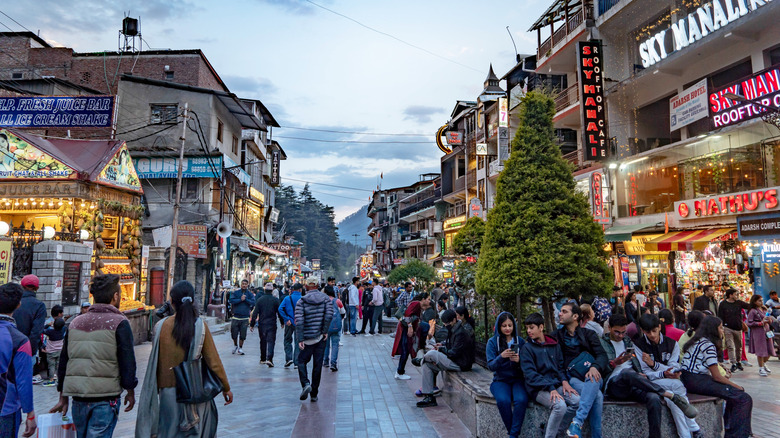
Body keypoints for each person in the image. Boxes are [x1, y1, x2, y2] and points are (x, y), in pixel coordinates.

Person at [135, 280, 232, 438]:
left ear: (172, 303)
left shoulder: (160, 327)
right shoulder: (200, 326)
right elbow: (213, 362)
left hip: (167, 394)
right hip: (193, 392)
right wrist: (226, 388)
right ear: (193, 301)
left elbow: (157, 360)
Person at [51, 274, 137, 437]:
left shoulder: (75, 322)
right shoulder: (119, 322)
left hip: (79, 399)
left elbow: (64, 362)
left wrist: (62, 397)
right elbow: (127, 362)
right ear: (116, 296)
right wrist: (130, 390)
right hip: (105, 400)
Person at [681, 316, 753, 438]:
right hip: (696, 380)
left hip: (689, 379)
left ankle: (732, 430)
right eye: (720, 328)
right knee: (744, 398)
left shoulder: (697, 340)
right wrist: (737, 386)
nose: (722, 330)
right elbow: (717, 377)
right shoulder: (708, 345)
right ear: (713, 329)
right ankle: (737, 435)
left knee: (733, 396)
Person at [634, 314, 704, 438]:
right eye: (648, 332)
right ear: (643, 331)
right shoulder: (639, 345)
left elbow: (672, 368)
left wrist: (654, 365)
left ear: (659, 327)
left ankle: (685, 435)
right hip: (651, 382)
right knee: (677, 386)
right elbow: (645, 374)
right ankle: (694, 427)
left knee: (672, 400)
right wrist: (662, 372)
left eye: (654, 331)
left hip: (667, 381)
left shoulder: (672, 344)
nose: (652, 335)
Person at [520, 312, 578, 438]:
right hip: (538, 388)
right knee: (560, 406)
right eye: (527, 328)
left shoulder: (554, 345)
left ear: (541, 327)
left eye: (532, 327)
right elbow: (530, 375)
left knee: (577, 401)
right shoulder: (527, 349)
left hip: (555, 384)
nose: (529, 331)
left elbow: (560, 367)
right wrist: (550, 388)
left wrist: (564, 382)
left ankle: (555, 432)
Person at [554, 302, 607, 438]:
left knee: (593, 379)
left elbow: (602, 355)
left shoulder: (589, 334)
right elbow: (556, 363)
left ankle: (578, 421)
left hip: (592, 374)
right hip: (572, 377)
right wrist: (564, 380)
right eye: (561, 311)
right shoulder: (557, 336)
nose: (560, 313)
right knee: (597, 396)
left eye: (564, 311)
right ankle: (592, 433)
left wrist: (595, 367)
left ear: (575, 316)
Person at [416, 309, 475, 408]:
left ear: (454, 320)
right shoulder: (453, 329)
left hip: (460, 363)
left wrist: (441, 349)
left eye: (447, 323)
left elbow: (454, 353)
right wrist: (442, 344)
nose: (446, 325)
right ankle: (429, 397)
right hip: (453, 360)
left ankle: (420, 360)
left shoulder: (461, 333)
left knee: (433, 354)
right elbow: (450, 343)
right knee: (427, 365)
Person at [0, 283, 37, 438]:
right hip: (6, 409)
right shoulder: (20, 340)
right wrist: (30, 413)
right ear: (18, 305)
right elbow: (23, 381)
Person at [486, 312, 529, 438]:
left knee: (521, 400)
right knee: (503, 401)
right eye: (504, 325)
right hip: (500, 380)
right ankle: (513, 434)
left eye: (510, 325)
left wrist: (519, 361)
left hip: (517, 379)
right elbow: (491, 365)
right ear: (499, 326)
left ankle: (512, 435)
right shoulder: (493, 342)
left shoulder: (520, 341)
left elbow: (528, 364)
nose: (507, 328)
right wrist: (501, 357)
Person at [295, 277, 334, 402]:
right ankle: (314, 394)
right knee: (317, 365)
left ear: (306, 286)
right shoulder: (326, 299)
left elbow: (299, 321)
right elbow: (329, 315)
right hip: (320, 338)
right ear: (317, 286)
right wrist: (324, 331)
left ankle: (306, 384)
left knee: (301, 361)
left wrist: (300, 338)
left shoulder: (302, 301)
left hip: (306, 338)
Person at [717, 288, 750, 372]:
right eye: (735, 294)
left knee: (739, 346)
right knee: (730, 346)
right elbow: (720, 316)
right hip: (727, 328)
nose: (737, 296)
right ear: (730, 295)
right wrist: (721, 326)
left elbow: (749, 306)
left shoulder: (739, 303)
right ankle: (733, 363)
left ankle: (738, 361)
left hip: (738, 328)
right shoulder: (723, 304)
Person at [13, 274, 46, 357]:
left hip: (8, 346)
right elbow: (36, 332)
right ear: (36, 288)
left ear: (21, 286)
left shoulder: (13, 301)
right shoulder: (39, 305)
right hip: (25, 349)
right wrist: (31, 351)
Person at [250, 282, 283, 367]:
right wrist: (282, 322)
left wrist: (252, 324)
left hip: (262, 324)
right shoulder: (275, 300)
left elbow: (255, 313)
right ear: (272, 290)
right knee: (271, 341)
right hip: (272, 324)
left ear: (265, 290)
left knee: (263, 341)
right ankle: (270, 359)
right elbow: (279, 312)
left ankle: (263, 358)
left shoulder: (260, 300)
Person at [391, 298, 422, 380]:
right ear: (423, 299)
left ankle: (400, 371)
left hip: (405, 329)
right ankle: (400, 372)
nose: (428, 301)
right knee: (405, 350)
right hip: (406, 329)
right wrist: (410, 326)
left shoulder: (414, 303)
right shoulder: (416, 303)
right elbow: (407, 314)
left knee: (405, 350)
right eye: (428, 299)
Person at [746, 294, 776, 376]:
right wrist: (760, 323)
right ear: (754, 302)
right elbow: (749, 323)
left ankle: (764, 363)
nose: (761, 302)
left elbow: (769, 320)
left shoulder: (764, 309)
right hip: (758, 333)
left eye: (762, 300)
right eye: (759, 300)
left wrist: (769, 320)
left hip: (767, 331)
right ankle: (761, 368)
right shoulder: (752, 311)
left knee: (770, 350)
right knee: (761, 351)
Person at [279, 282, 303, 368]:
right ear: (300, 289)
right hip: (299, 323)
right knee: (298, 341)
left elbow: (280, 309)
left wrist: (286, 319)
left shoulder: (287, 298)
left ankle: (289, 359)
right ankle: (296, 362)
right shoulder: (303, 299)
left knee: (287, 340)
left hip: (289, 323)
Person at [229, 279, 255, 355]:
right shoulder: (236, 293)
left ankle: (240, 347)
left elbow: (253, 302)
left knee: (243, 334)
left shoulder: (250, 294)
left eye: (245, 284)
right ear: (241, 284)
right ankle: (235, 345)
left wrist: (245, 299)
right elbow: (231, 300)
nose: (244, 285)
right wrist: (240, 299)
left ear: (247, 285)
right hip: (236, 316)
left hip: (245, 317)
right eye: (243, 284)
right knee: (234, 333)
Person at [323, 286, 344, 372]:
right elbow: (343, 312)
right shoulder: (337, 301)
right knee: (335, 345)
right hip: (336, 326)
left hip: (325, 327)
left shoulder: (323, 301)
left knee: (326, 345)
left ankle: (326, 361)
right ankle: (333, 363)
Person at [42, 317, 66, 386]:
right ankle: (59, 380)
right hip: (60, 351)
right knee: (58, 366)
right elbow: (64, 326)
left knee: (51, 366)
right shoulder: (63, 330)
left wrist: (48, 325)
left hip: (51, 352)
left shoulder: (50, 332)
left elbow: (42, 330)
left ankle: (51, 380)